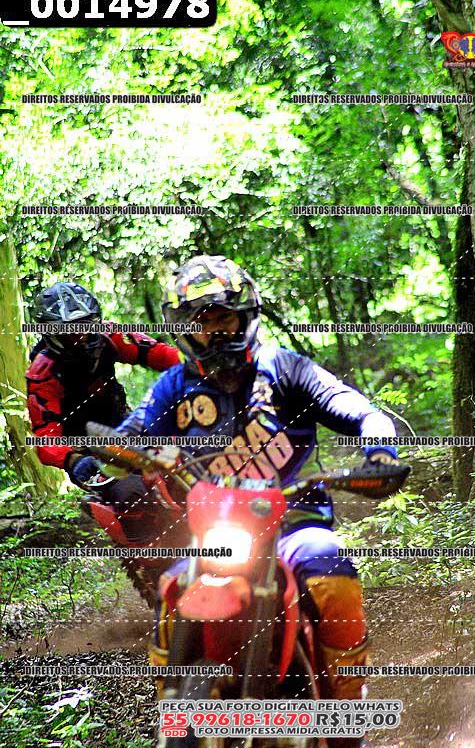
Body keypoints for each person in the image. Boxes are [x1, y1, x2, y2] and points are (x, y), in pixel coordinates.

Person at [115, 255, 400, 747]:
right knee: (172, 589)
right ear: (183, 329)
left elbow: (360, 411)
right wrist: (110, 453)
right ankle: (173, 719)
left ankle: (347, 712)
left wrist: (379, 451)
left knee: (329, 571)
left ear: (244, 317)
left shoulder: (285, 368)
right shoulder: (173, 386)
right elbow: (130, 434)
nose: (213, 331)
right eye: (200, 322)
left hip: (294, 520)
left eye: (223, 318)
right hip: (216, 530)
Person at [26, 281, 180, 488]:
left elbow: (160, 354)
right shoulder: (43, 372)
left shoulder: (109, 336)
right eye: (71, 332)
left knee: (174, 462)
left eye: (86, 326)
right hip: (84, 448)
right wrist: (73, 460)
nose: (82, 336)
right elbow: (45, 435)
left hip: (123, 424)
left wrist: (198, 367)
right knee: (129, 492)